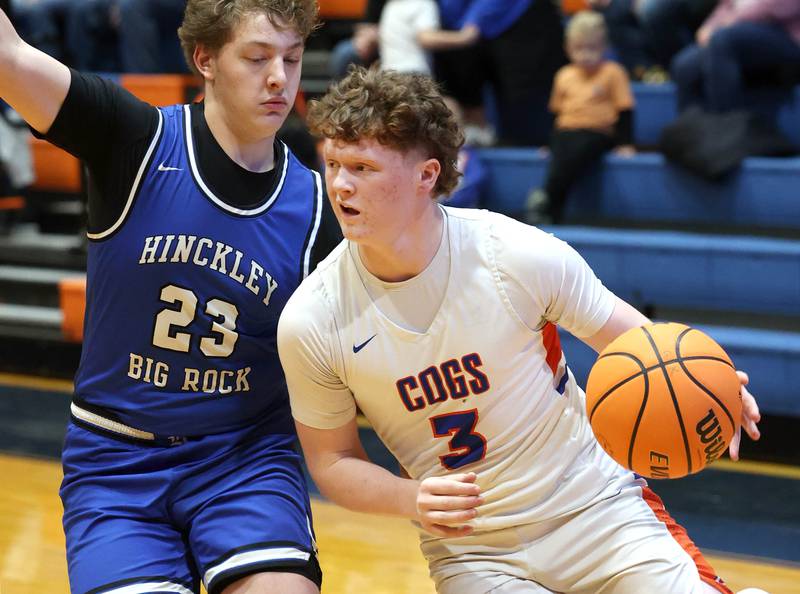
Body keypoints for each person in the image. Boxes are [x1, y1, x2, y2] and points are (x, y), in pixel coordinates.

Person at [277, 66, 765, 594]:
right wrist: (408, 498)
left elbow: (644, 350)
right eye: (333, 164)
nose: (340, 185)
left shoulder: (514, 255)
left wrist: (710, 386)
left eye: (363, 166)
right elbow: (332, 460)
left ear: (426, 175)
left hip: (597, 511)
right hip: (475, 553)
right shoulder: (313, 318)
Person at [0, 0, 336, 592]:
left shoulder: (319, 209)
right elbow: (9, 57)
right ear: (204, 58)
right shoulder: (133, 140)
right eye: (256, 57)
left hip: (244, 460)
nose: (280, 77)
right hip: (116, 461)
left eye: (292, 57)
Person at [528, 10, 636, 225]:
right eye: (579, 49)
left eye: (592, 48)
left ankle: (547, 198)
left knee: (576, 151)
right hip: (566, 131)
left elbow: (625, 110)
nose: (585, 55)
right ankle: (551, 208)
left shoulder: (613, 72)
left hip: (598, 132)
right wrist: (550, 143)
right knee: (562, 152)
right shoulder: (564, 75)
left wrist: (625, 143)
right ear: (568, 48)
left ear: (604, 47)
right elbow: (556, 112)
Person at [671, 0, 800, 112]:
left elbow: (781, 5)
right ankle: (695, 132)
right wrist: (709, 27)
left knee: (722, 41)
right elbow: (727, 6)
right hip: (734, 30)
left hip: (785, 34)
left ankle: (728, 125)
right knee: (684, 64)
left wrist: (730, 23)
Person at [377, 0, 478, 75]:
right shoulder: (422, 3)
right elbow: (426, 38)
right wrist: (464, 38)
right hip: (413, 74)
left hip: (388, 74)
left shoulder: (392, 5)